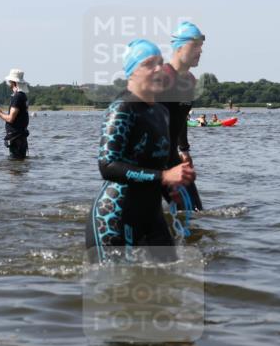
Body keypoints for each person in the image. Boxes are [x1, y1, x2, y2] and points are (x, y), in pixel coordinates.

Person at [86, 39, 195, 261]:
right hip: (114, 217)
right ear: (131, 72)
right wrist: (164, 175)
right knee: (117, 291)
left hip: (152, 214)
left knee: (169, 282)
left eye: (161, 63)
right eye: (149, 64)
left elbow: (156, 164)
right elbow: (107, 166)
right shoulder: (122, 109)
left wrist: (170, 189)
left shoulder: (161, 112)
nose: (159, 69)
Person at [160, 21, 205, 210]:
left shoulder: (190, 81)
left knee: (194, 212)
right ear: (178, 48)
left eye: (201, 47)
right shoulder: (162, 79)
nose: (200, 51)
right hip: (151, 160)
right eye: (194, 46)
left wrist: (184, 149)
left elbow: (181, 118)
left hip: (172, 157)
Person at [0, 68, 30, 159]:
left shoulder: (17, 97)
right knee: (20, 165)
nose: (9, 83)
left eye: (10, 81)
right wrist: (1, 112)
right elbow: (16, 116)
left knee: (14, 167)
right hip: (21, 137)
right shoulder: (23, 96)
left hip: (16, 138)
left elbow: (10, 119)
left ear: (14, 83)